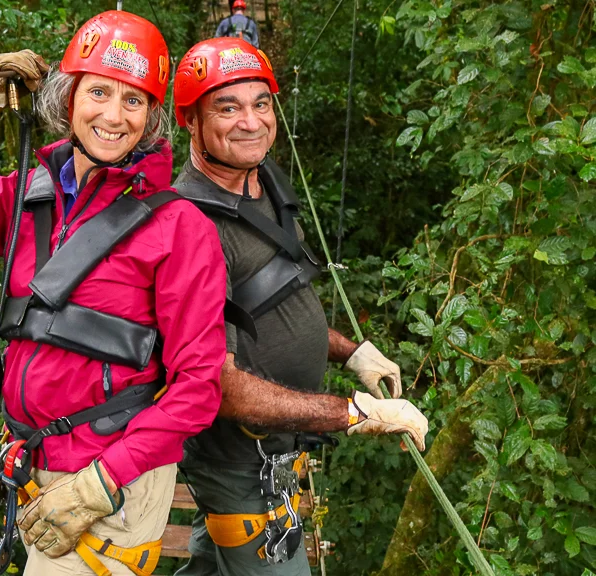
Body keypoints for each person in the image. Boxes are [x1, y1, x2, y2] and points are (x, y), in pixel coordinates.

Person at [0, 11, 227, 576]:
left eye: (134, 100)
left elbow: (198, 386)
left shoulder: (178, 227)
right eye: (98, 91)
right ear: (68, 99)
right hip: (37, 465)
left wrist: (103, 479)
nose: (114, 116)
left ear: (153, 117)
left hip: (112, 482)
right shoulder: (29, 198)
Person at [171, 37, 429, 576]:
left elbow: (272, 300)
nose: (251, 122)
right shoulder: (192, 227)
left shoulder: (262, 182)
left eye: (261, 103)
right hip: (244, 467)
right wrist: (353, 412)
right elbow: (220, 385)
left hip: (262, 459)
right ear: (190, 121)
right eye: (227, 107)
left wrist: (349, 350)